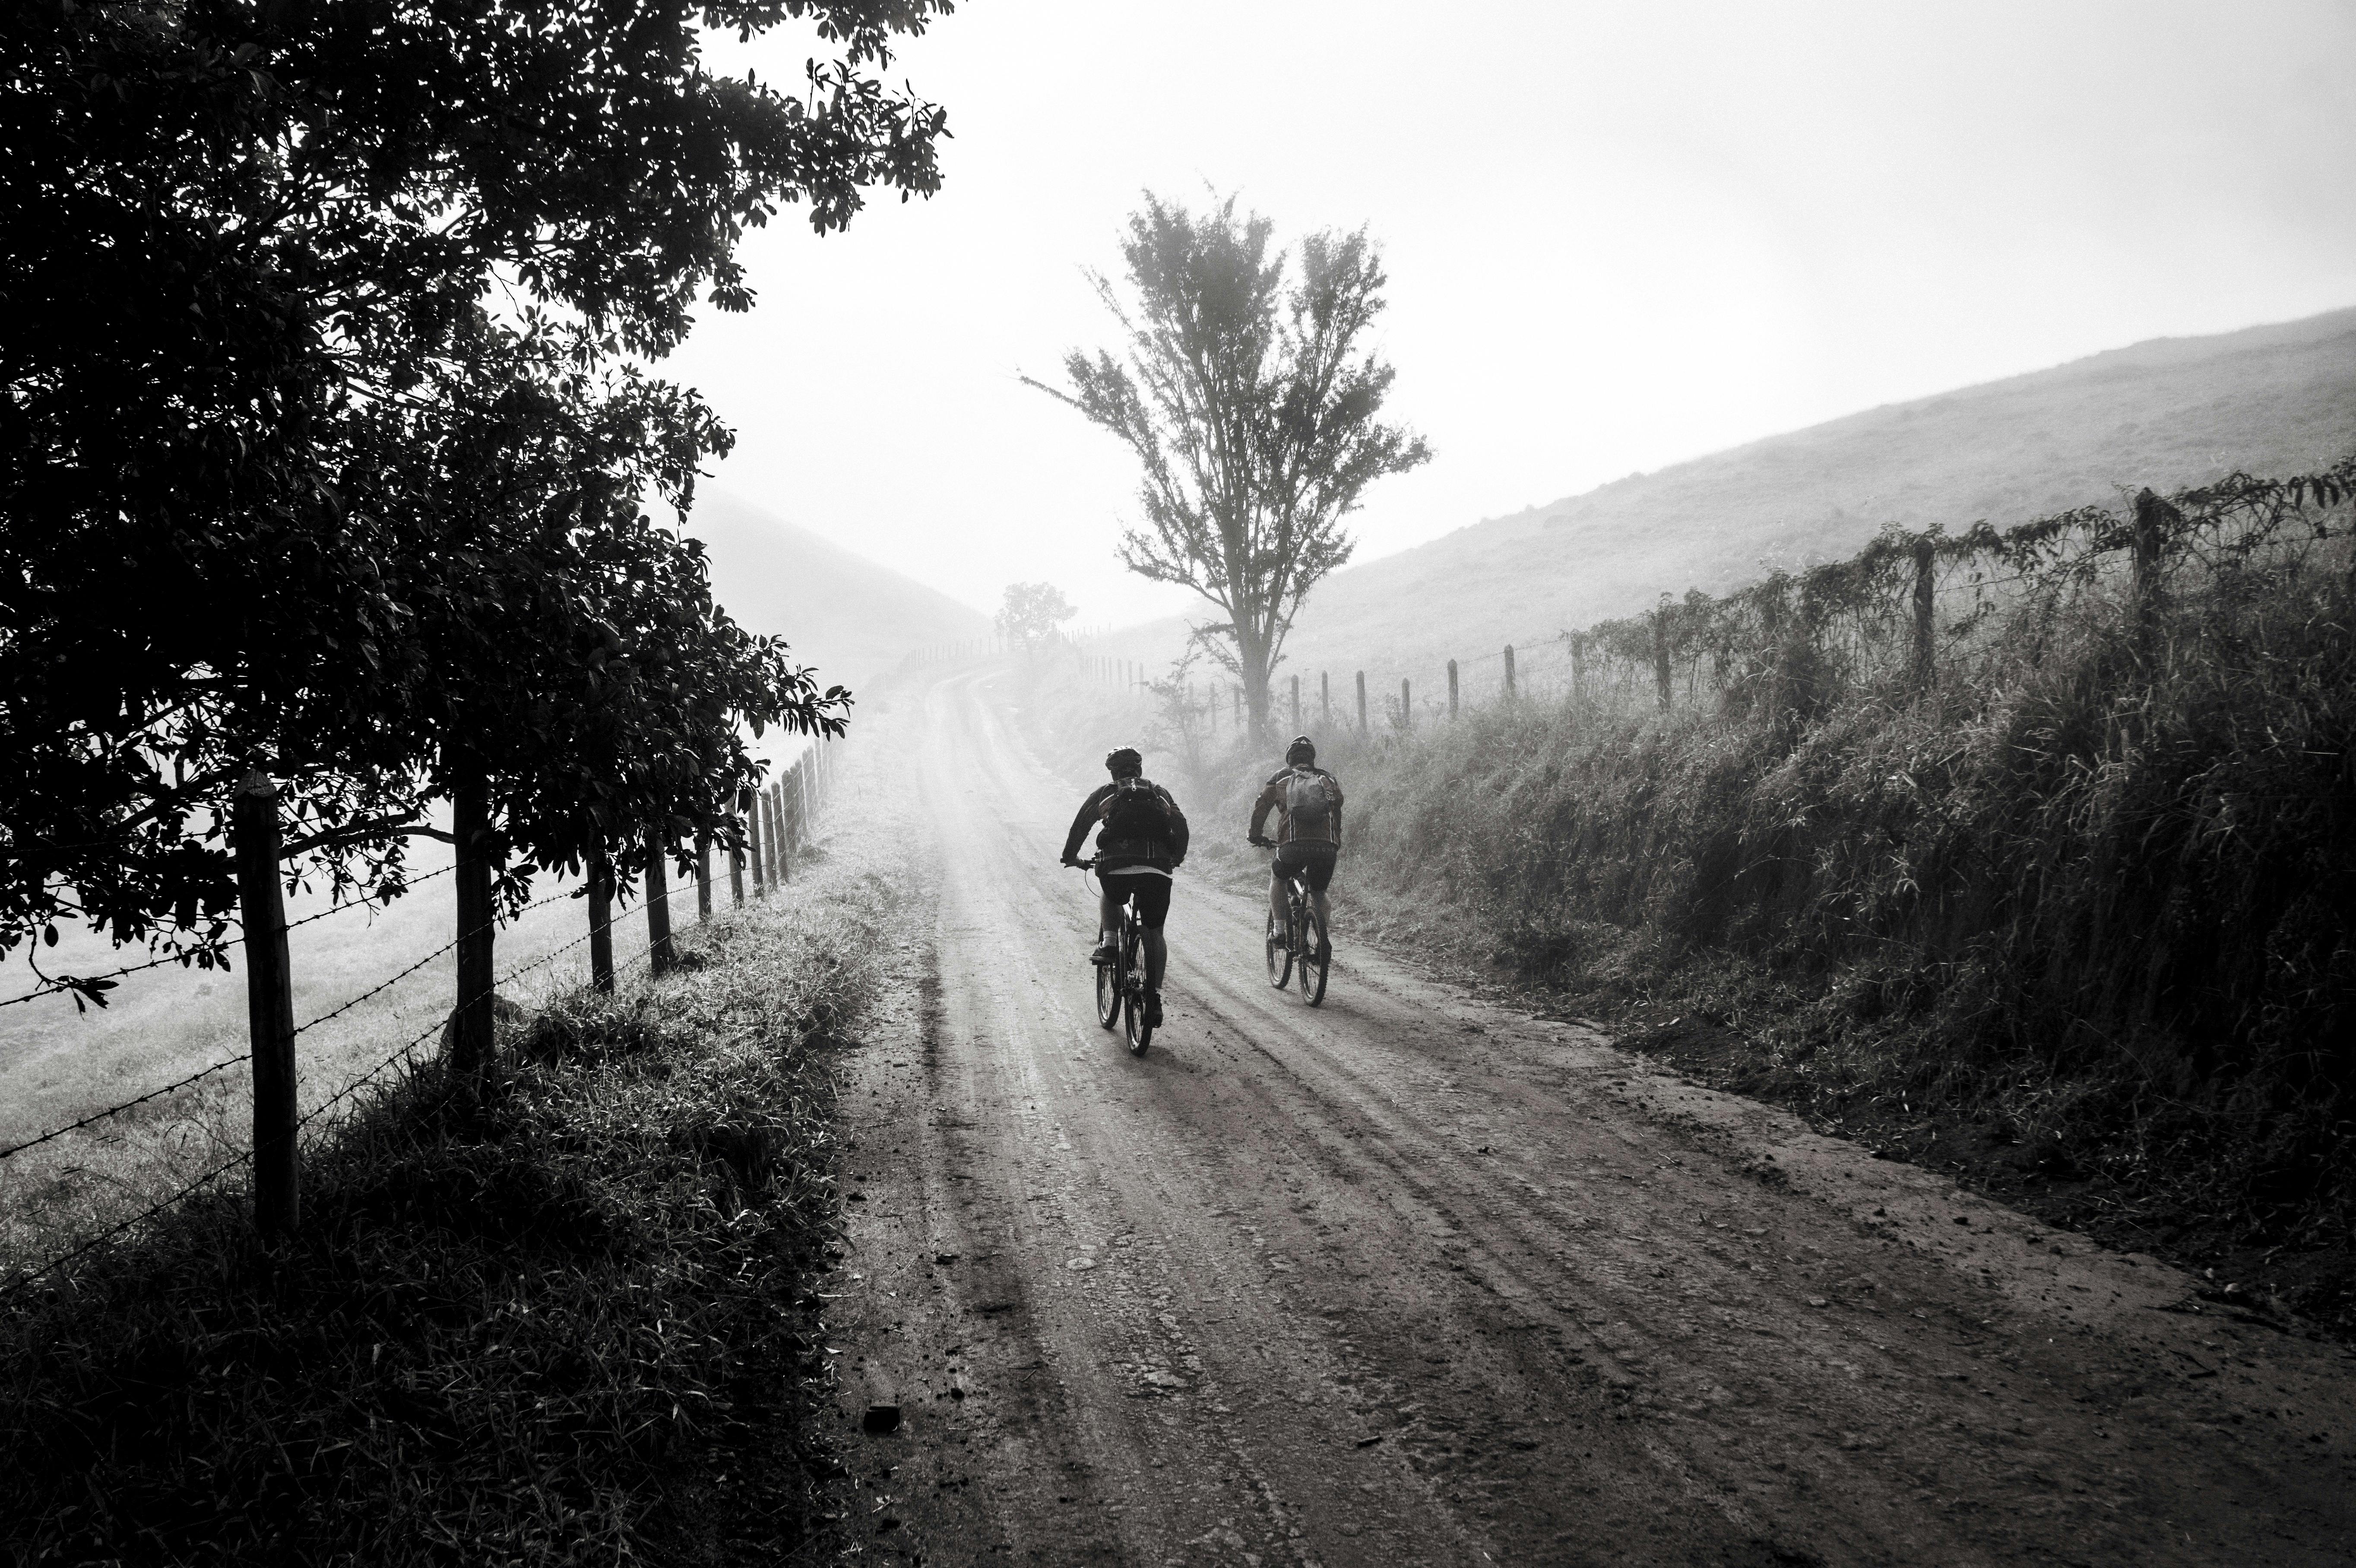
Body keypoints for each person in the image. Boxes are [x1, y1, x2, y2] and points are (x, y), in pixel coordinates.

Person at [1060, 746, 1189, 1027]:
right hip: (1158, 871)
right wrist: (1176, 858)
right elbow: (1180, 826)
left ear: (1112, 772)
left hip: (1116, 869)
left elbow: (1081, 825)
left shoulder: (1106, 794)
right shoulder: (1159, 793)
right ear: (1140, 770)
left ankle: (1109, 943)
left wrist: (1071, 857)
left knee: (1110, 894)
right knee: (1155, 933)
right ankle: (1153, 996)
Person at [1248, 734, 1343, 959]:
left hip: (1293, 846)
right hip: (1327, 847)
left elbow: (1261, 807)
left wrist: (1255, 836)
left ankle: (1280, 932)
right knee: (1319, 892)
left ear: (1289, 759)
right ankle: (1321, 937)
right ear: (1312, 758)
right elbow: (1338, 806)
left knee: (1278, 877)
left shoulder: (1281, 778)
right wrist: (1335, 840)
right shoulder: (1327, 779)